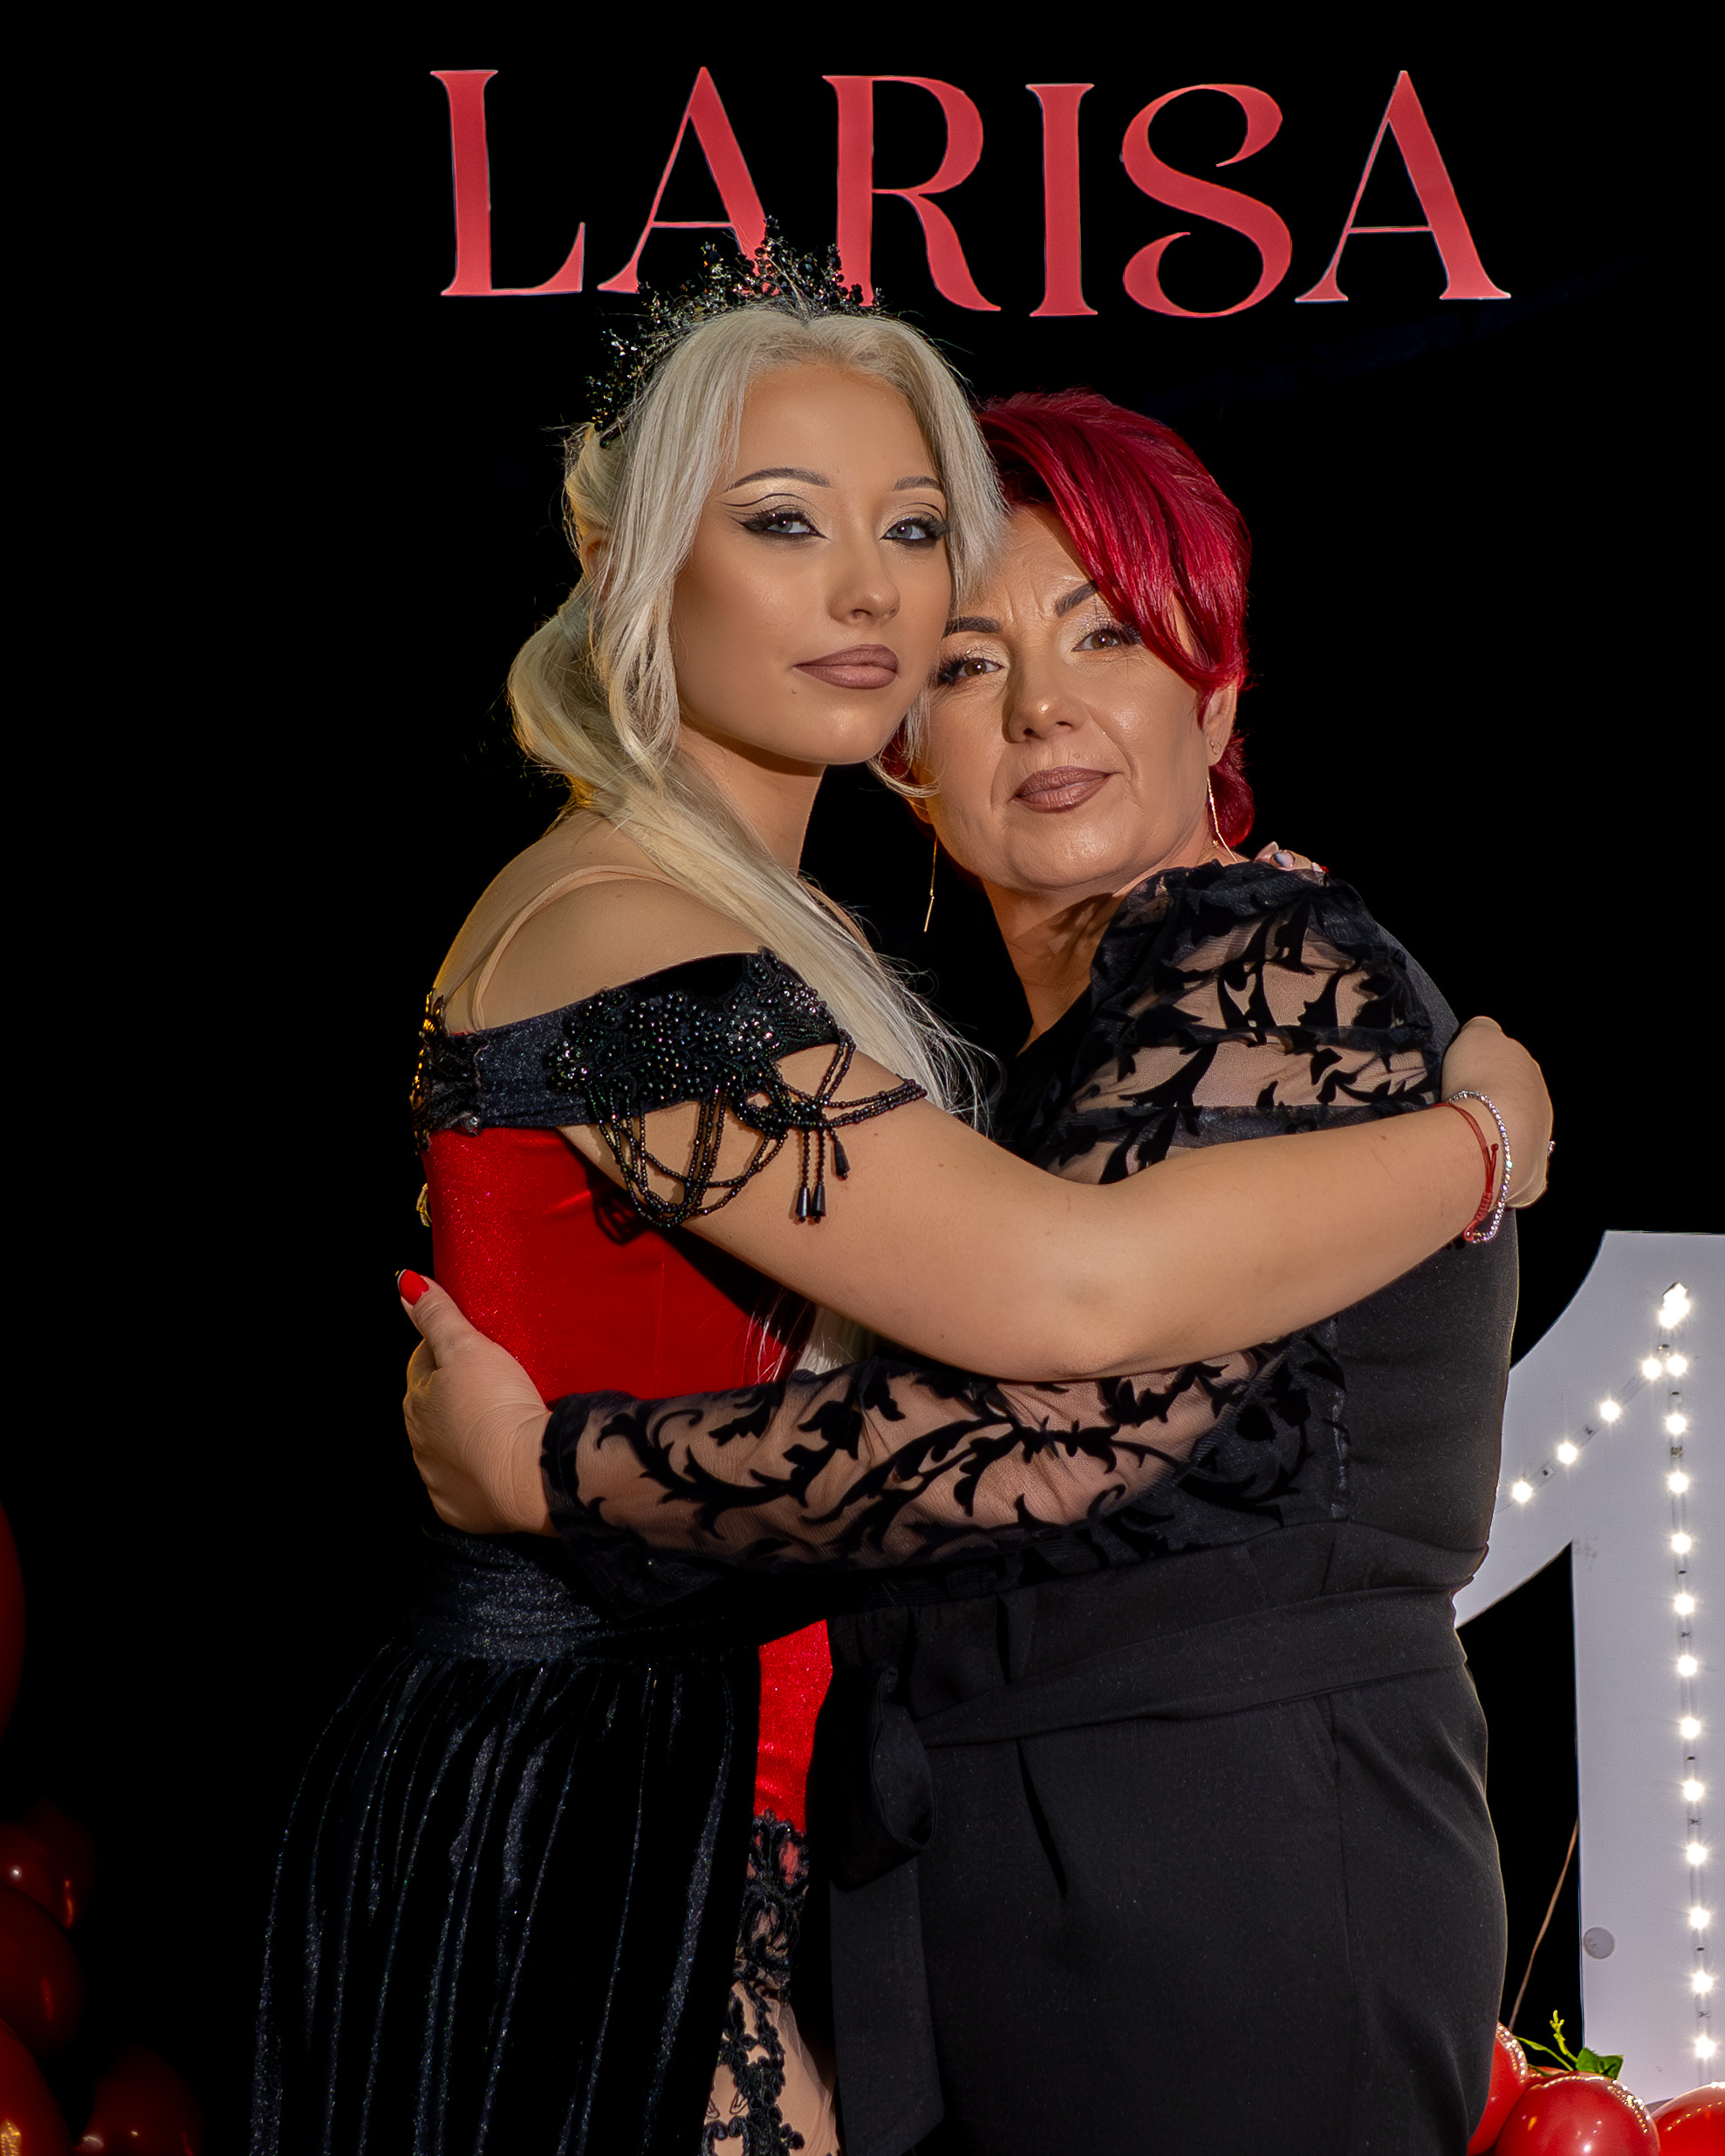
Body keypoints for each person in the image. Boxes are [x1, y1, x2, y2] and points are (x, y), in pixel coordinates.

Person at [400, 387, 1550, 2156]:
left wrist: (549, 1470)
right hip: (975, 1877)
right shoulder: (1016, 1068)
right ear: (900, 744)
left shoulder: (1261, 961)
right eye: (967, 660)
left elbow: (1053, 1429)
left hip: (1234, 1870)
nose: (1038, 708)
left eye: (1105, 635)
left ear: (1215, 695)